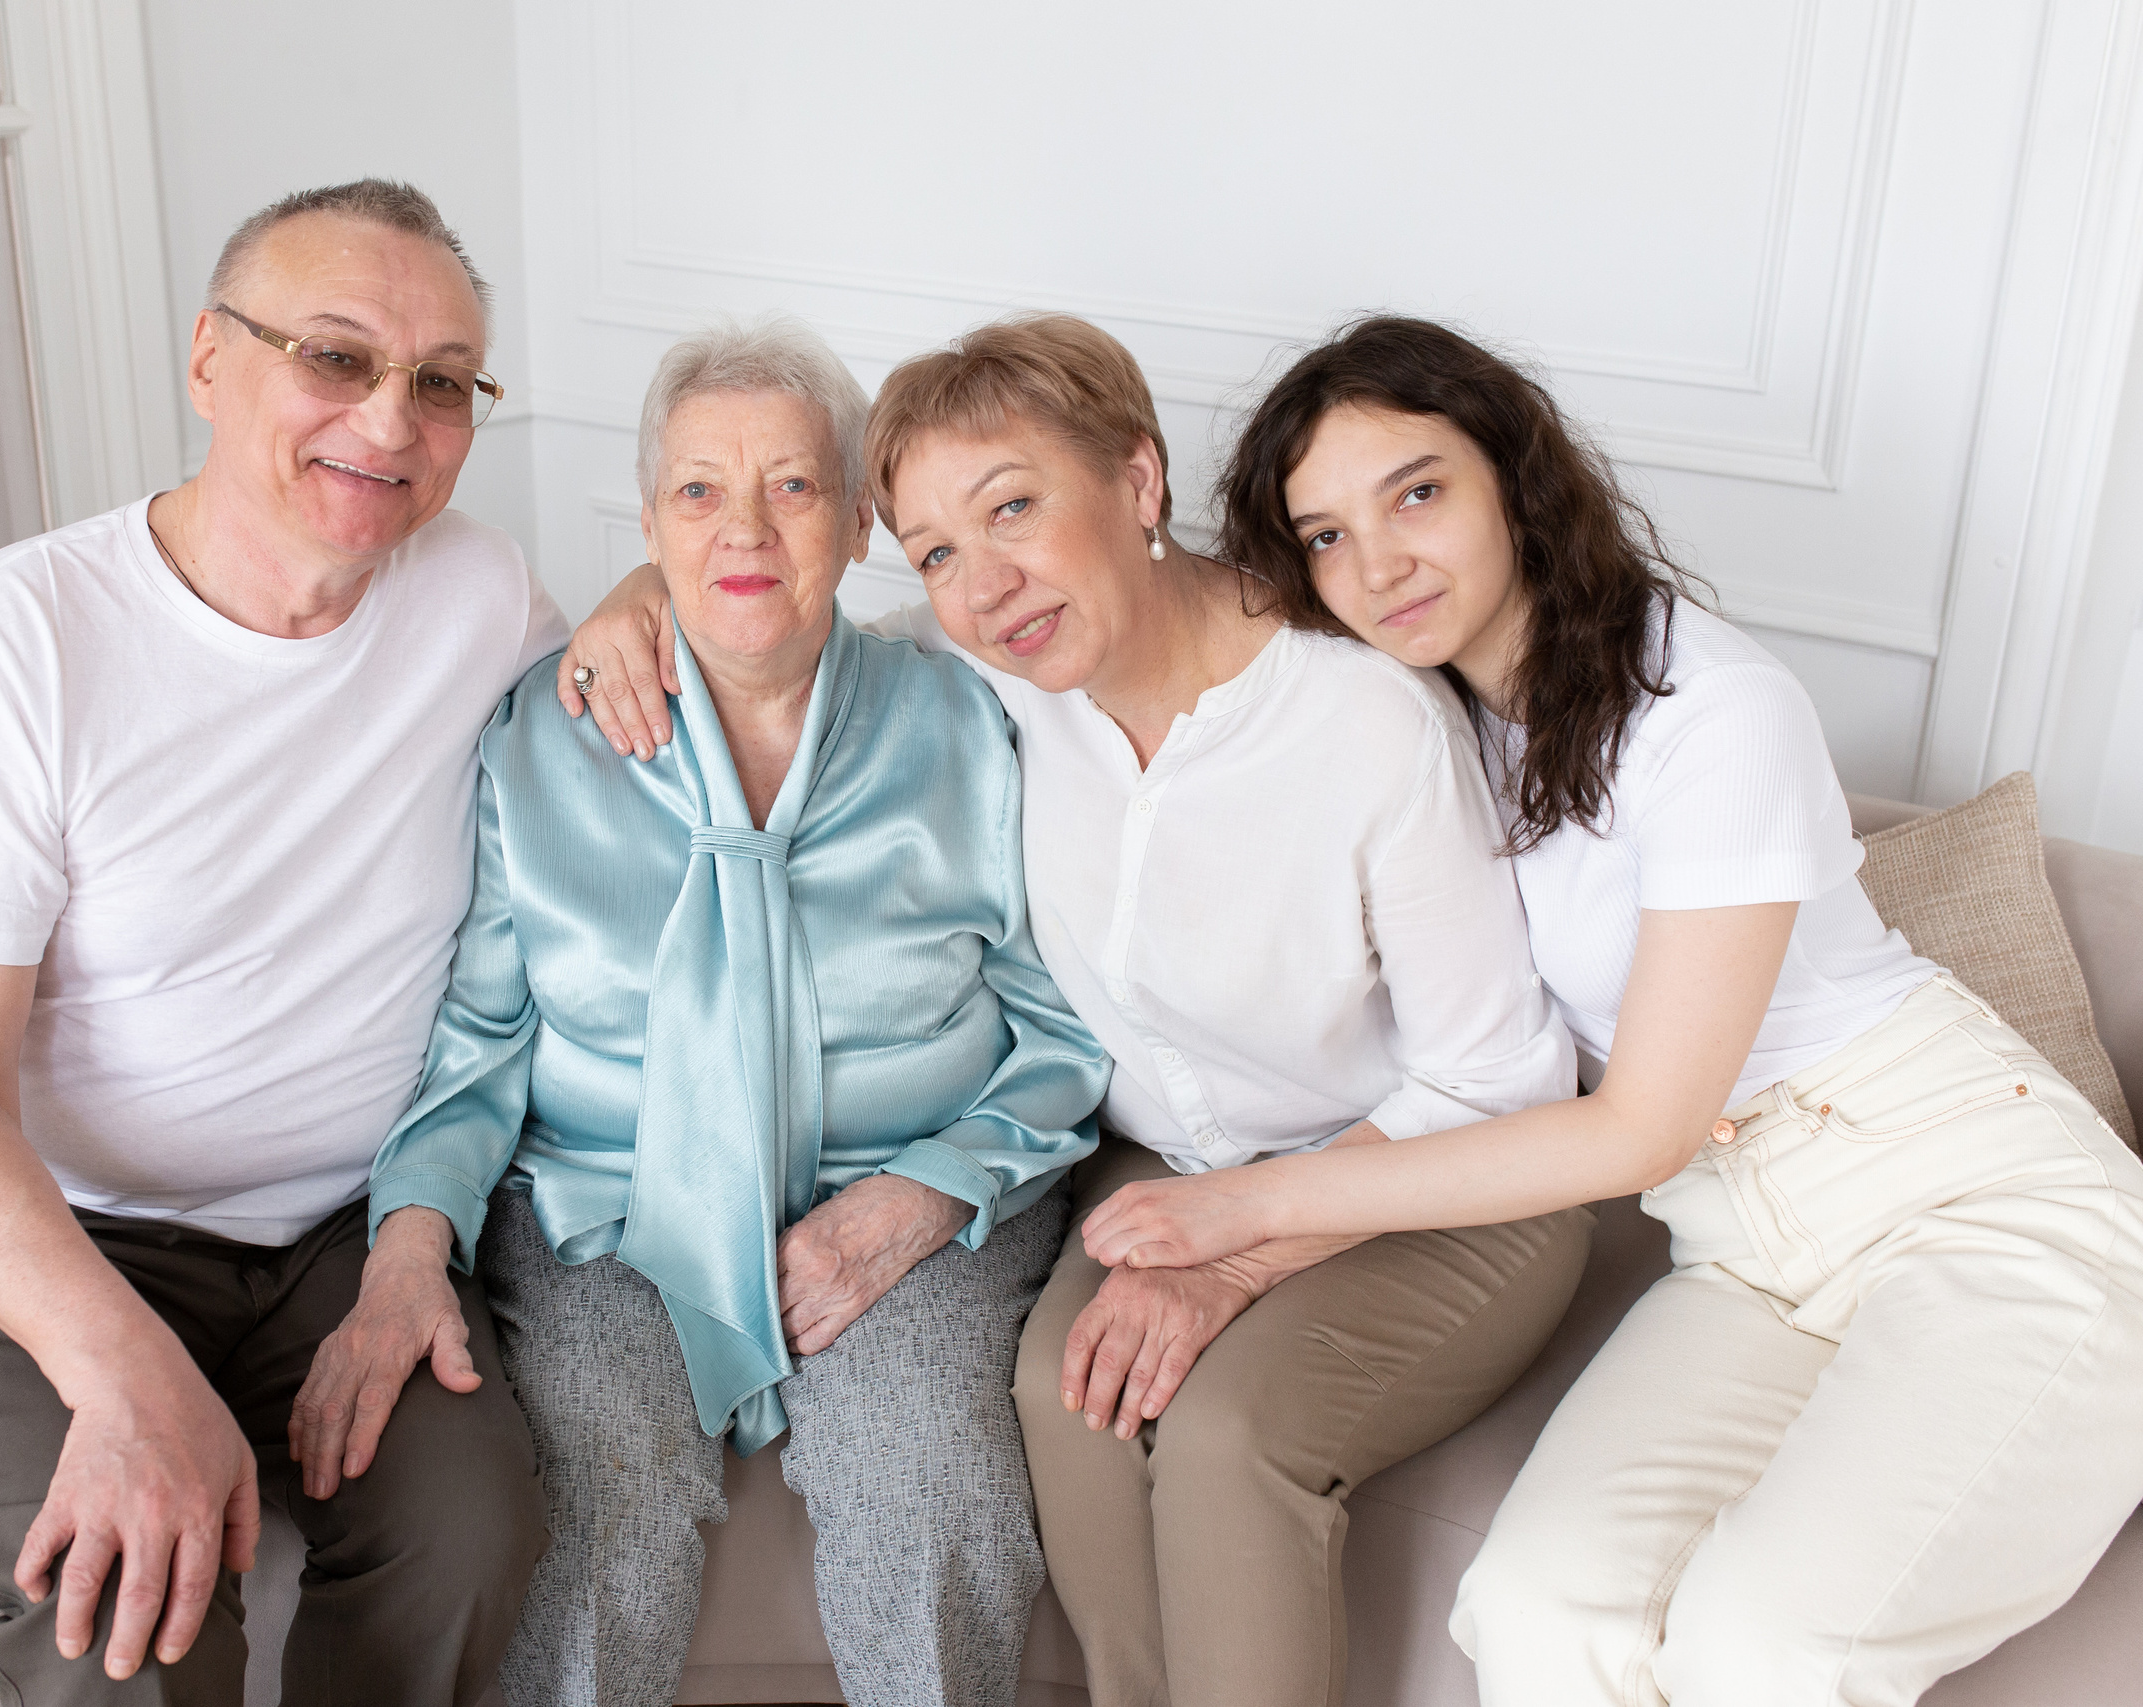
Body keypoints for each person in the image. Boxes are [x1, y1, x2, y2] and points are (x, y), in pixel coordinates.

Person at [1073, 314, 2143, 1706]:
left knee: (1767, 1645)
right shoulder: (1422, 729)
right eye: (1324, 534)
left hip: (1974, 1203)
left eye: (1416, 492)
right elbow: (1125, 621)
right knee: (1535, 1610)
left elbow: (1640, 1126)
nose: (1378, 561)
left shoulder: (1715, 711)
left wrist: (1255, 1209)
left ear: (1515, 475)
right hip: (1744, 1249)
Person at [561, 313, 1594, 1707]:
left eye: (1016, 511)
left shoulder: (1364, 723)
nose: (983, 583)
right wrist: (638, 592)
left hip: (1433, 1178)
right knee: (1073, 1398)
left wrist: (1234, 1256)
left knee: (1223, 1434)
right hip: (1167, 1178)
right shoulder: (993, 676)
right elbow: (775, 609)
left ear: (1140, 482)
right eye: (935, 551)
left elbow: (1499, 1079)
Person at [291, 318, 1108, 1707]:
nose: (744, 530)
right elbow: (478, 1050)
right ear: (652, 526)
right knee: (600, 1484)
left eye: (791, 488)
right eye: (697, 493)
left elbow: (1061, 1041)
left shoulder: (972, 721)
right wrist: (409, 1246)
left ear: (860, 525)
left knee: (921, 1470)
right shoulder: (537, 734)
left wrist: (919, 1198)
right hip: (609, 1209)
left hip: (907, 1195)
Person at [0, 179, 558, 1705]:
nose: (388, 418)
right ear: (209, 362)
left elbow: (632, 755)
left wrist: (635, 610)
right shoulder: (22, 637)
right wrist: (123, 1375)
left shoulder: (482, 597)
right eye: (335, 356)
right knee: (129, 1610)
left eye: (443, 382)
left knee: (475, 1528)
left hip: (339, 1238)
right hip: (54, 1226)